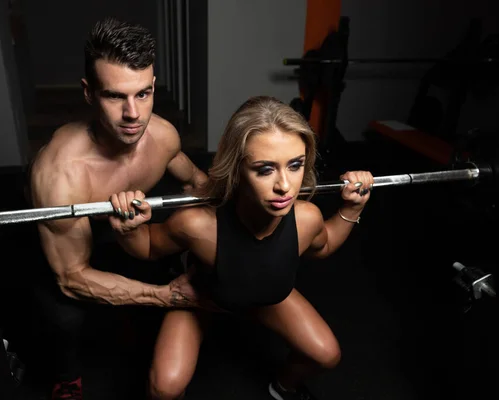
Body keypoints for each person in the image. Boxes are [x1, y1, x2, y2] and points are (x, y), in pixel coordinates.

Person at [109, 96, 375, 400]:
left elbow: (323, 246)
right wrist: (129, 227)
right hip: (205, 298)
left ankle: (283, 389)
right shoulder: (197, 225)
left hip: (266, 298)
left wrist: (352, 210)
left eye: (295, 165)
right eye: (265, 169)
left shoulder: (305, 218)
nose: (285, 186)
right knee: (163, 388)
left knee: (326, 355)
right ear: (236, 168)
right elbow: (147, 247)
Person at [28, 17, 208, 400]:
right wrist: (163, 295)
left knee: (151, 258)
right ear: (89, 93)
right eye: (115, 96)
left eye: (143, 94)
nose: (133, 114)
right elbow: (71, 276)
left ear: (154, 86)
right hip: (68, 246)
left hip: (123, 229)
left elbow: (198, 184)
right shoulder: (61, 175)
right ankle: (66, 376)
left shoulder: (161, 135)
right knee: (61, 312)